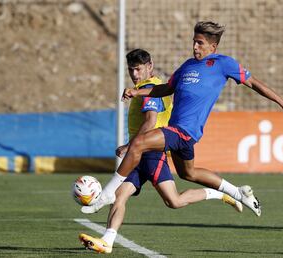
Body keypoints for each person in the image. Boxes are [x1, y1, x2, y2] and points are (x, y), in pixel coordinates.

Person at [88, 21, 283, 218]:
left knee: (139, 143)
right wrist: (137, 93)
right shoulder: (187, 66)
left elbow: (254, 83)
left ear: (213, 47)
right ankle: (237, 192)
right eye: (194, 42)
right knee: (188, 174)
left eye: (200, 43)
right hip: (179, 132)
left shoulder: (223, 63)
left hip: (185, 131)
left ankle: (107, 193)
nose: (195, 47)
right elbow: (166, 89)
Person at [79, 49, 242, 254]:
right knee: (120, 196)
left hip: (152, 154)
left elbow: (151, 121)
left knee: (173, 201)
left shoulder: (151, 87)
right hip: (138, 156)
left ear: (150, 66)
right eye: (131, 70)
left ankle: (219, 194)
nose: (135, 74)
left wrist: (130, 145)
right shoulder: (143, 87)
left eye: (138, 69)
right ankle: (107, 240)